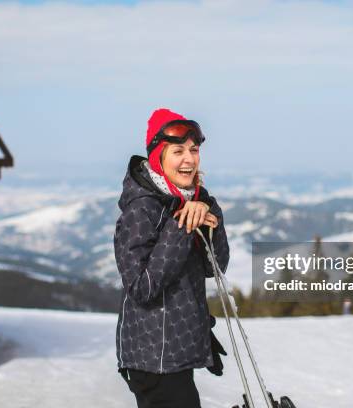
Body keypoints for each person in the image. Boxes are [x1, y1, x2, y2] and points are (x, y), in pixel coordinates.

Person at [114, 108, 230, 408]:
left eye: (193, 150)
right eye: (178, 151)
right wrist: (182, 227)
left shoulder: (195, 200)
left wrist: (208, 216)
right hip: (152, 360)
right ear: (158, 156)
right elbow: (141, 288)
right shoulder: (141, 210)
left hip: (176, 354)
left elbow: (214, 267)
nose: (189, 159)